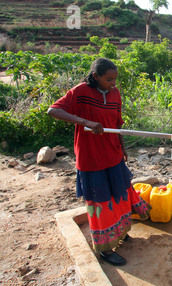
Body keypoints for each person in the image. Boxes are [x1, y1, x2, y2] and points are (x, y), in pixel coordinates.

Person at [47, 58, 150, 266]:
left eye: (115, 79)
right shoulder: (80, 92)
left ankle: (119, 233)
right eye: (109, 79)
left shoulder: (115, 93)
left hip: (112, 153)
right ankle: (105, 248)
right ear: (96, 77)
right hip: (91, 157)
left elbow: (117, 123)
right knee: (100, 201)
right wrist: (85, 122)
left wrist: (122, 148)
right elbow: (53, 110)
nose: (113, 83)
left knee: (119, 195)